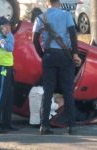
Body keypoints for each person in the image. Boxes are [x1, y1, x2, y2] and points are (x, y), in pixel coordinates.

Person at [32, 0, 82, 135]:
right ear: (58, 3)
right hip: (65, 56)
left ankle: (44, 126)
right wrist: (75, 54)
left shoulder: (40, 18)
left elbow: (34, 39)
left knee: (48, 92)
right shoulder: (66, 15)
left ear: (47, 3)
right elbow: (73, 35)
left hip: (49, 56)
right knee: (68, 91)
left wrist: (42, 54)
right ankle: (71, 126)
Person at [0, 16, 16, 133]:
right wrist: (10, 35)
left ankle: (7, 124)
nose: (9, 27)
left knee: (8, 98)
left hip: (8, 69)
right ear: (0, 27)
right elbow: (10, 48)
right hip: (1, 69)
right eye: (7, 25)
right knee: (0, 98)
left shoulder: (4, 37)